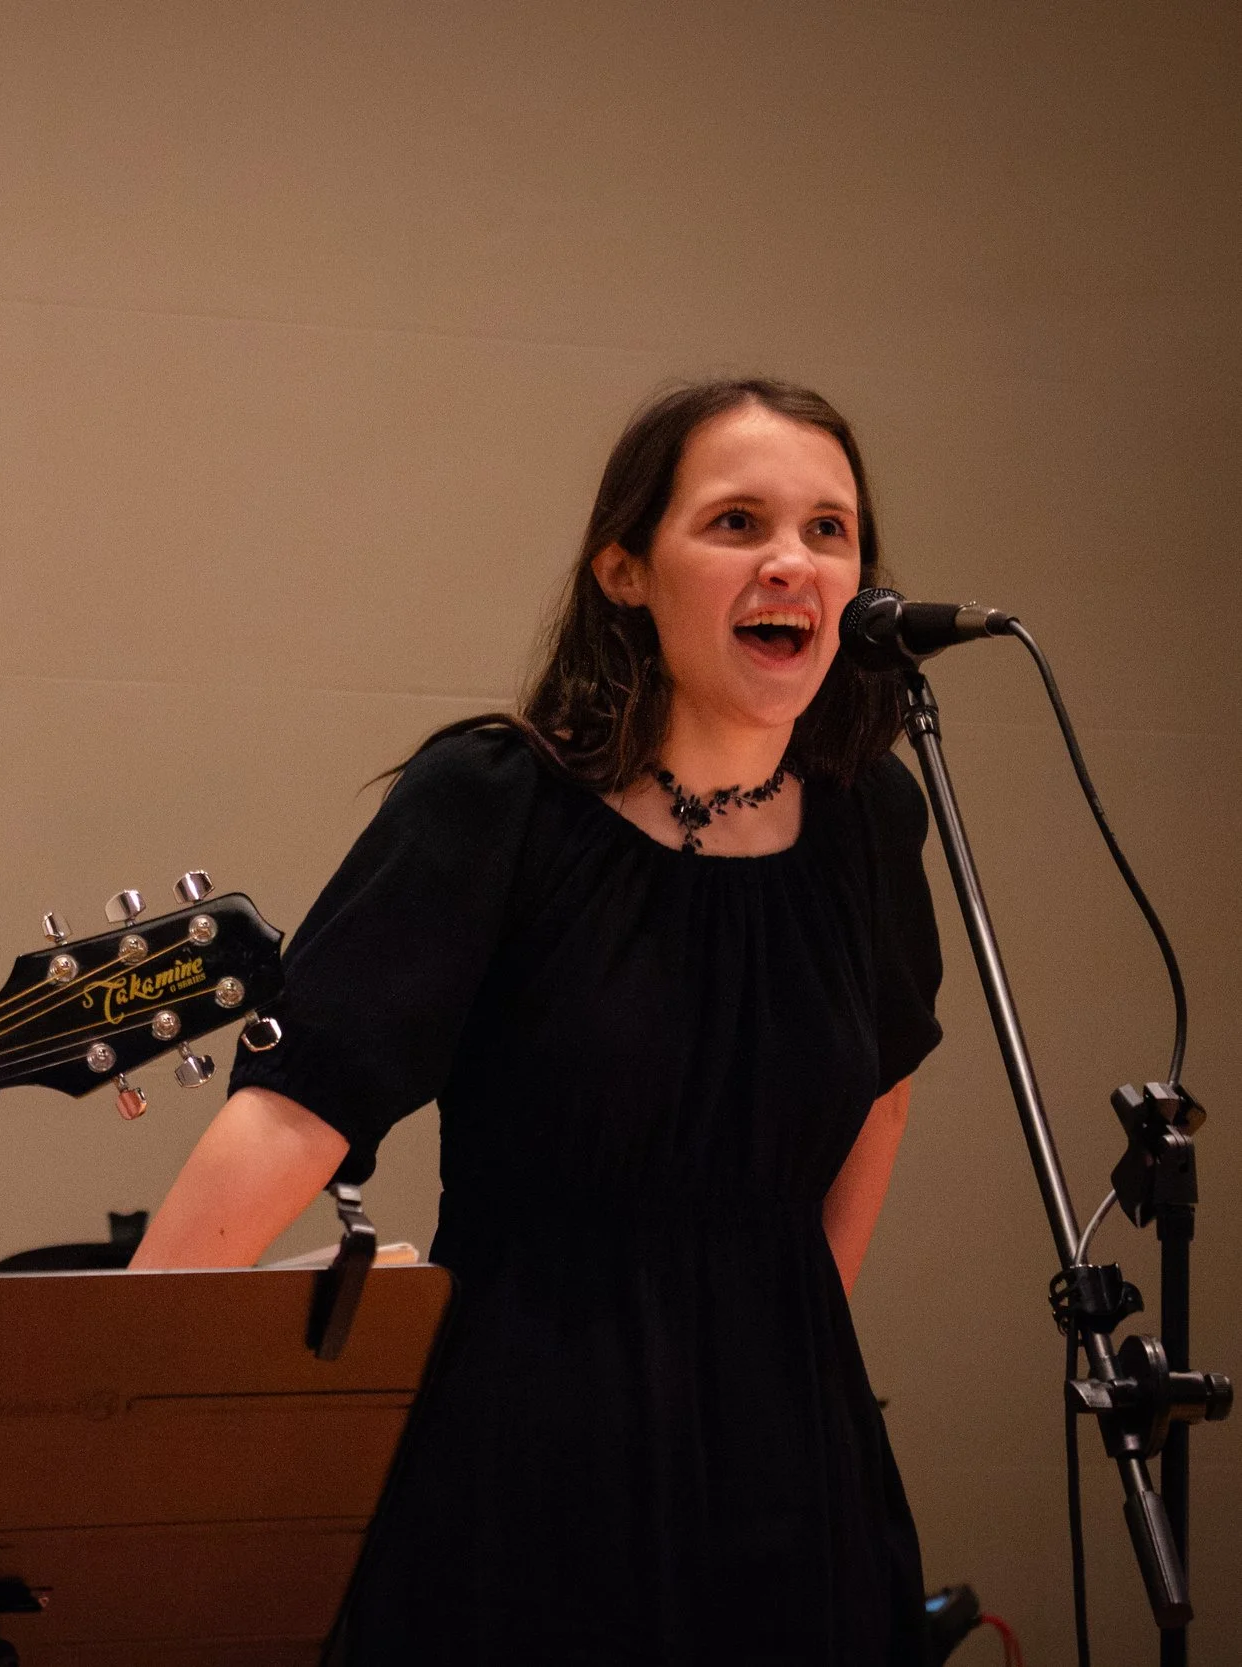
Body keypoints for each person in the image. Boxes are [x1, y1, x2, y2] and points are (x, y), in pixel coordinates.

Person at [132, 379, 943, 1665]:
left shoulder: (869, 820)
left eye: (828, 530)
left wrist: (777, 1340)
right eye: (735, 522)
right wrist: (111, 1378)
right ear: (625, 570)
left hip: (794, 1455)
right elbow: (299, 1105)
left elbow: (882, 1089)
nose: (791, 559)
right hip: (526, 1442)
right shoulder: (494, 801)